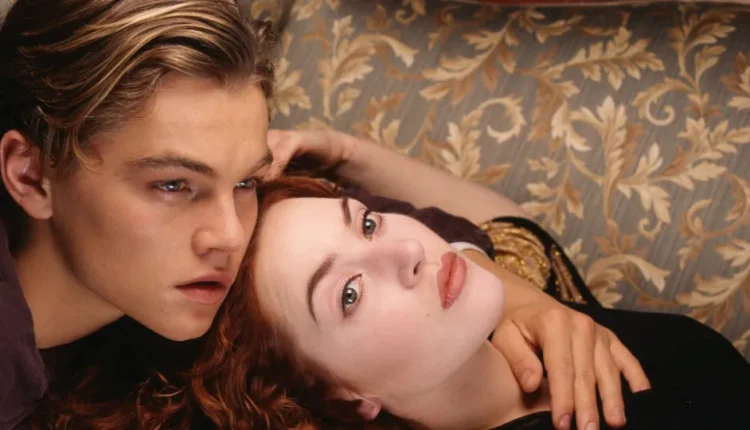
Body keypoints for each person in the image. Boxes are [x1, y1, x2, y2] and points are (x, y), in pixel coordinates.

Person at [1, 1, 646, 429]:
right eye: (173, 186)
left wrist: (520, 301)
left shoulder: (181, 274)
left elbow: (419, 239)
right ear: (30, 176)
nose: (230, 234)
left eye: (246, 181)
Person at [228, 176, 750, 430]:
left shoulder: (522, 313)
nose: (408, 251)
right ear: (343, 396)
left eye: (367, 223)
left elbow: (509, 225)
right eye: (350, 293)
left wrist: (341, 148)